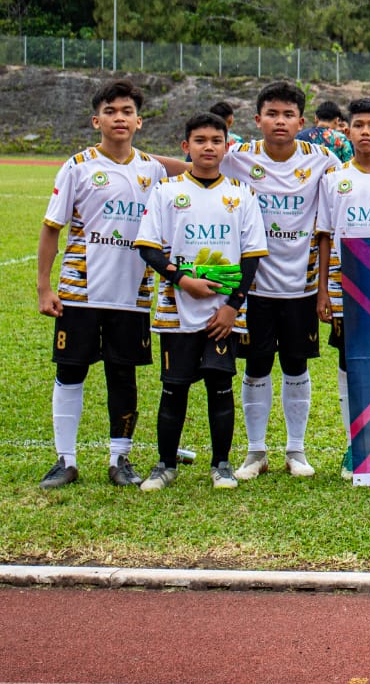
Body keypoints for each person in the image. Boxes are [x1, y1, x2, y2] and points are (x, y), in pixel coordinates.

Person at [35, 79, 169, 489]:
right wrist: (44, 287)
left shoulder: (153, 170)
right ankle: (65, 460)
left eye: (127, 111)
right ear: (97, 121)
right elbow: (51, 227)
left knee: (123, 375)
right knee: (70, 371)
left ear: (139, 121)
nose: (119, 118)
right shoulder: (78, 166)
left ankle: (119, 459)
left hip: (132, 296)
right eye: (110, 112)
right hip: (80, 292)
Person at [134, 113, 268, 491]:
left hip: (222, 314)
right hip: (176, 309)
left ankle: (221, 465)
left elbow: (252, 256)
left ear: (226, 146)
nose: (208, 147)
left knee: (220, 386)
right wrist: (182, 280)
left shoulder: (242, 194)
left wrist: (232, 307)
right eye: (200, 140)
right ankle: (165, 465)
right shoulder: (166, 191)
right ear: (186, 146)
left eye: (215, 140)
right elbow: (148, 248)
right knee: (173, 388)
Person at [220, 82, 341, 481]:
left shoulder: (321, 160)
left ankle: (296, 450)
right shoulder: (238, 158)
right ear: (258, 120)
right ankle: (255, 452)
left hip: (300, 288)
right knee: (256, 367)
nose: (280, 121)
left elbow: (356, 181)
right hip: (253, 287)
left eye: (288, 115)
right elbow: (195, 166)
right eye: (272, 114)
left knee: (295, 365)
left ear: (301, 122)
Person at [315, 98, 370, 478]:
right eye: (358, 125)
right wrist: (322, 291)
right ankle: (356, 445)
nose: (365, 131)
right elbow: (323, 236)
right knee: (349, 363)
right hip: (343, 285)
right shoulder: (334, 180)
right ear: (346, 131)